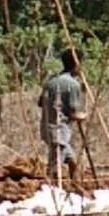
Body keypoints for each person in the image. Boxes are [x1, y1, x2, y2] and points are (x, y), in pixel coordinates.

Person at [37, 48, 88, 183]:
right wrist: (82, 116)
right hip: (60, 130)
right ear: (77, 64)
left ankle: (76, 184)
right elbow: (72, 113)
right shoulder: (73, 85)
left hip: (47, 127)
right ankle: (51, 189)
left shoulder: (51, 81)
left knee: (70, 159)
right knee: (55, 165)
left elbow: (41, 102)